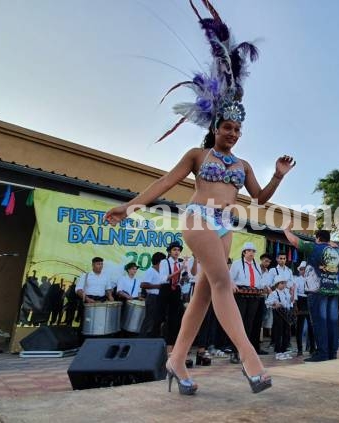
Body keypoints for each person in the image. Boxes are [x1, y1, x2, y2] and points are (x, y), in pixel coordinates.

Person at [105, 1, 293, 392]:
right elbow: (164, 183)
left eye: (238, 129)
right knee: (224, 284)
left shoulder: (243, 165)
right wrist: (129, 206)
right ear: (215, 126)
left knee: (205, 296)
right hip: (197, 218)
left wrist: (276, 176)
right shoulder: (196, 155)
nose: (234, 134)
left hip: (226, 225)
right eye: (228, 127)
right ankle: (250, 358)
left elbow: (259, 200)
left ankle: (176, 360)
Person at [283, 228, 339, 362]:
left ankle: (322, 353)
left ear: (318, 238)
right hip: (333, 290)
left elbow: (296, 242)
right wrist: (328, 241)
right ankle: (332, 352)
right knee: (332, 322)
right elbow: (334, 244)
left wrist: (286, 230)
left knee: (320, 322)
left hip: (317, 291)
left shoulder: (314, 247)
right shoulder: (337, 251)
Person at [230, 243, 271, 362]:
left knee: (249, 324)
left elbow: (260, 280)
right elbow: (230, 278)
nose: (252, 253)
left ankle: (245, 352)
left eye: (253, 251)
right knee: (239, 324)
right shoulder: (237, 264)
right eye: (249, 251)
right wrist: (232, 285)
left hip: (254, 296)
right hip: (241, 295)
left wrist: (266, 287)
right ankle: (234, 352)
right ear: (244, 252)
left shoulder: (257, 266)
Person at [159, 241, 187, 353]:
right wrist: (179, 271)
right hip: (166, 290)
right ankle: (163, 347)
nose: (177, 252)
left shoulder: (180, 264)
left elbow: (181, 282)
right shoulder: (164, 262)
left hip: (176, 291)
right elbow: (163, 279)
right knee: (163, 319)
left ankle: (172, 347)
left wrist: (184, 277)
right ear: (170, 251)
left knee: (175, 320)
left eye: (178, 250)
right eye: (174, 250)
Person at [140, 252, 169, 338]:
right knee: (149, 319)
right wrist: (158, 286)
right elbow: (143, 285)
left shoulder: (161, 272)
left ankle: (153, 338)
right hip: (153, 298)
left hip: (160, 298)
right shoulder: (151, 271)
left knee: (157, 320)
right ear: (159, 261)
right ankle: (142, 339)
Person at [266, 275, 293, 360]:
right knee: (279, 332)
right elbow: (267, 302)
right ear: (277, 284)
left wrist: (292, 295)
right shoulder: (274, 293)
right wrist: (274, 303)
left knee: (286, 331)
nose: (284, 285)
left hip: (286, 312)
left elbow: (290, 302)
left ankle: (284, 350)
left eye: (284, 283)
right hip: (278, 313)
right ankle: (278, 351)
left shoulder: (286, 292)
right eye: (282, 283)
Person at [294, 261, 315, 356]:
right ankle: (299, 349)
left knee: (311, 327)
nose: (303, 271)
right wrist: (295, 305)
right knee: (300, 327)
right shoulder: (297, 280)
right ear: (299, 271)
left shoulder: (312, 279)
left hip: (309, 300)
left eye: (305, 269)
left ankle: (312, 348)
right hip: (300, 301)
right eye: (302, 269)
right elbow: (294, 293)